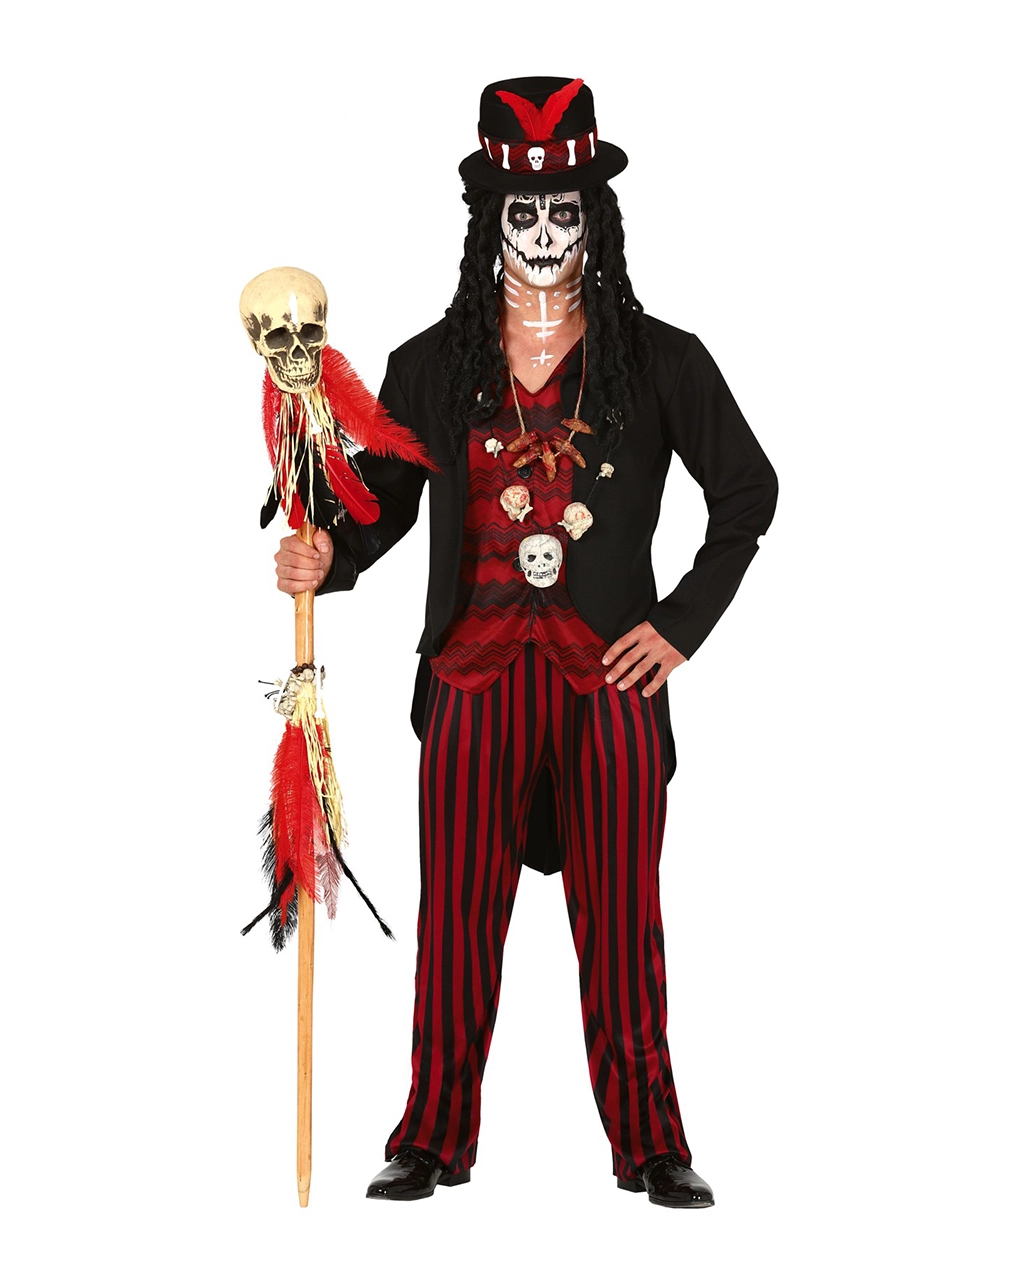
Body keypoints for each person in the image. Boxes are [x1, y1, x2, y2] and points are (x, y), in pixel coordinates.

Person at [274, 76, 778, 1209]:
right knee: (455, 920)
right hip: (471, 678)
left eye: (564, 212)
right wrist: (329, 556)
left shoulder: (663, 360)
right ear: (489, 219)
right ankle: (430, 1136)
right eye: (523, 212)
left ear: (594, 218)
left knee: (623, 919)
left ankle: (650, 1142)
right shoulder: (430, 365)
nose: (544, 234)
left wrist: (678, 626)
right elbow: (378, 505)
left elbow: (748, 495)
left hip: (611, 683)